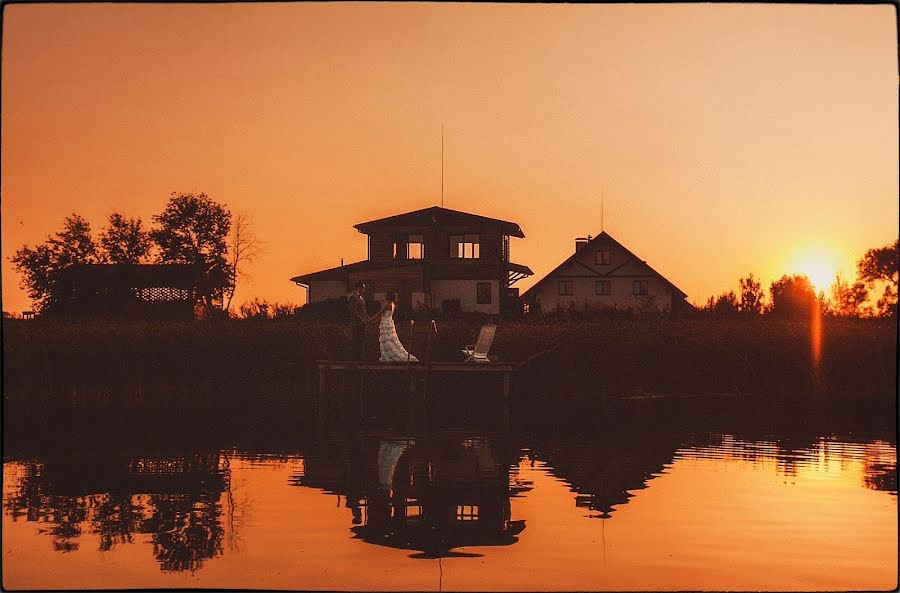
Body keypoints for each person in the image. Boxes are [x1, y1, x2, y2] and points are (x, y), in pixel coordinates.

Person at [374, 292, 419, 362]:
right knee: (391, 340)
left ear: (388, 297)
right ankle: (389, 354)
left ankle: (388, 356)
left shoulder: (387, 305)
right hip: (389, 323)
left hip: (385, 323)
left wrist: (370, 320)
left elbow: (379, 313)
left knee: (387, 340)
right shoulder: (393, 304)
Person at [348, 281, 370, 361]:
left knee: (362, 340)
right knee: (356, 340)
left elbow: (364, 310)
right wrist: (361, 319)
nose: (364, 290)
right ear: (358, 288)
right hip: (356, 323)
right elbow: (353, 310)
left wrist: (367, 318)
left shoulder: (362, 298)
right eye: (362, 288)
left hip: (362, 323)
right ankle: (355, 358)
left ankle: (360, 357)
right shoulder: (353, 297)